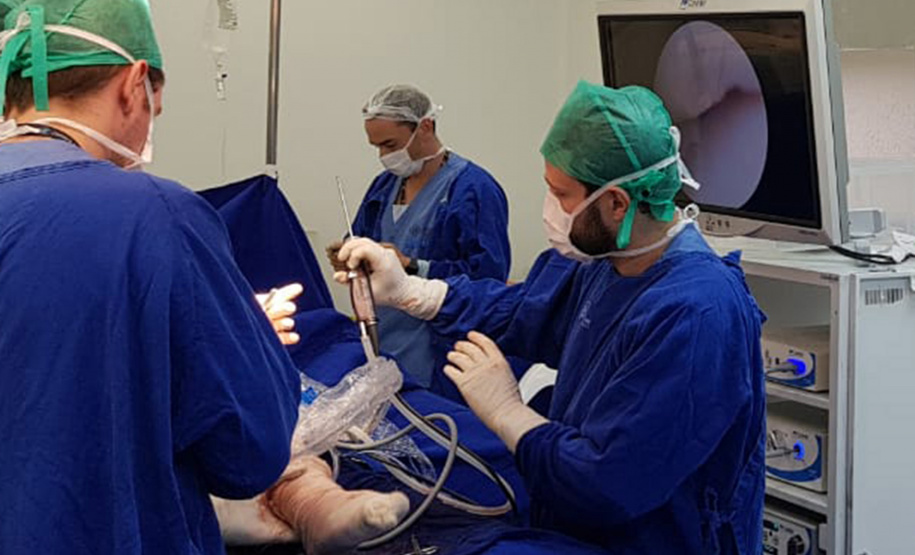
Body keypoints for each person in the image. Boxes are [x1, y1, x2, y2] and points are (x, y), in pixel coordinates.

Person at [335, 81, 766, 554]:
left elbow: (611, 482)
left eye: (561, 194)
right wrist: (413, 290)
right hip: (573, 520)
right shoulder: (606, 261)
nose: (552, 211)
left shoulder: (695, 315)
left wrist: (509, 414)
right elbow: (523, 311)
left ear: (617, 202)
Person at [0, 1, 304, 553]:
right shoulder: (155, 214)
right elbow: (247, 453)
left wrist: (194, 329)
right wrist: (241, 343)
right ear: (134, 83)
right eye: (156, 105)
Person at [328, 84, 511, 399]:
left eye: (390, 144)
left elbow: (488, 280)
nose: (385, 156)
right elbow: (363, 237)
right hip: (382, 344)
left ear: (425, 126)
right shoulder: (385, 186)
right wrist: (350, 256)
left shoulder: (473, 189)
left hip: (439, 354)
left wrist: (413, 266)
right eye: (377, 147)